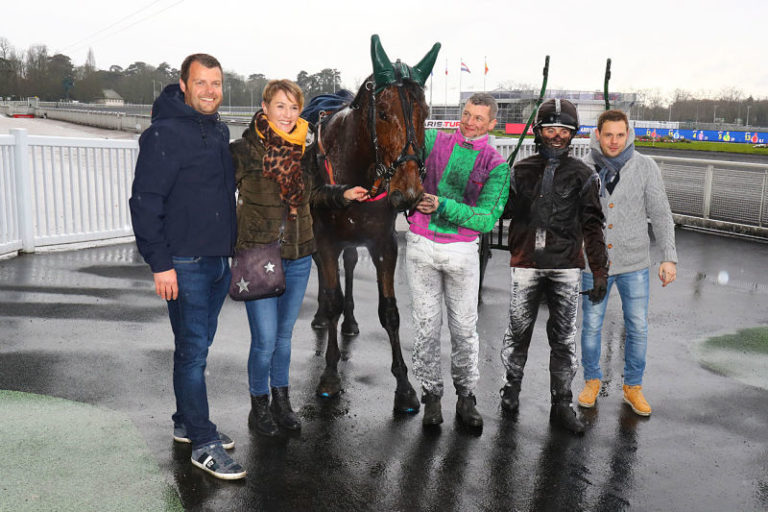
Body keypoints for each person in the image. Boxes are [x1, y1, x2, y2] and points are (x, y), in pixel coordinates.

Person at [230, 79, 368, 437]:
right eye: (280, 106)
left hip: (298, 255)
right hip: (258, 255)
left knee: (284, 337)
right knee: (264, 339)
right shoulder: (243, 151)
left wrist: (342, 194)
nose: (288, 114)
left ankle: (282, 400)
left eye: (294, 107)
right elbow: (215, 197)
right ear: (265, 108)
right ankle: (259, 406)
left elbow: (314, 196)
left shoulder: (305, 153)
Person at [130, 54, 245, 480]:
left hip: (217, 260)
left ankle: (185, 422)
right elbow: (145, 202)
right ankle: (202, 441)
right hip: (184, 263)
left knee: (195, 346)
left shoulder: (217, 130)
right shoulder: (163, 134)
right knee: (193, 352)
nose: (210, 91)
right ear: (183, 84)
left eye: (216, 83)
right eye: (201, 82)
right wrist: (160, 265)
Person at [499, 98, 608, 434]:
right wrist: (497, 185)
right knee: (518, 333)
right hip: (526, 265)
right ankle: (510, 390)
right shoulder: (519, 170)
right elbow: (502, 212)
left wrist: (599, 271)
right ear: (538, 131)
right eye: (550, 129)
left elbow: (593, 226)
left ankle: (561, 403)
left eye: (564, 130)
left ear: (573, 134)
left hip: (565, 268)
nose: (557, 135)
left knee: (563, 339)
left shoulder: (584, 175)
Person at [406, 92, 510, 429]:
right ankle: (432, 396)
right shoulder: (433, 140)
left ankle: (466, 396)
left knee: (464, 330)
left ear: (491, 124)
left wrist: (443, 205)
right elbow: (402, 137)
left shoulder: (497, 164)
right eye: (466, 114)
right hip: (420, 244)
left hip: (462, 252)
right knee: (425, 328)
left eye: (478, 118)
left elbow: (486, 219)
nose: (470, 122)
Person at [577, 109, 677, 417]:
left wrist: (669, 257)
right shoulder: (583, 168)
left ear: (628, 134)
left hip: (634, 263)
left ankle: (633, 386)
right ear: (597, 135)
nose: (614, 141)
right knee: (591, 326)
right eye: (608, 135)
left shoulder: (645, 167)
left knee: (638, 327)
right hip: (594, 264)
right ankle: (592, 380)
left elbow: (660, 213)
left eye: (620, 135)